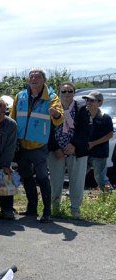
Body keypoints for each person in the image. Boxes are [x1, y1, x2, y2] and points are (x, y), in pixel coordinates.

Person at [10, 69, 64, 223]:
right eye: (31, 77)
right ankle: (32, 209)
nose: (34, 79)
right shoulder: (20, 96)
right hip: (22, 145)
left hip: (39, 145)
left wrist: (56, 114)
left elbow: (59, 119)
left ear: (44, 80)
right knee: (26, 177)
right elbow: (12, 119)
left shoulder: (52, 97)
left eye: (38, 77)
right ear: (28, 80)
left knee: (42, 178)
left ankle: (47, 212)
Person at [47, 83, 90, 218]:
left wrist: (74, 145)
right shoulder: (52, 108)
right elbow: (47, 130)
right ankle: (55, 209)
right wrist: (56, 148)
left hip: (76, 151)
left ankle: (75, 210)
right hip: (56, 151)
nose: (67, 94)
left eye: (70, 91)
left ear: (74, 92)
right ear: (59, 92)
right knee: (55, 181)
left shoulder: (81, 108)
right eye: (64, 91)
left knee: (77, 181)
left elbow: (85, 129)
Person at [84, 91, 114, 192]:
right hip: (84, 152)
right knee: (78, 175)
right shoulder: (84, 115)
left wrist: (93, 143)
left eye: (91, 100)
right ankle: (71, 195)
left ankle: (110, 198)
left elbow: (110, 134)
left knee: (100, 178)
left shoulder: (105, 117)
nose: (88, 102)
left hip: (99, 154)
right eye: (87, 100)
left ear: (100, 103)